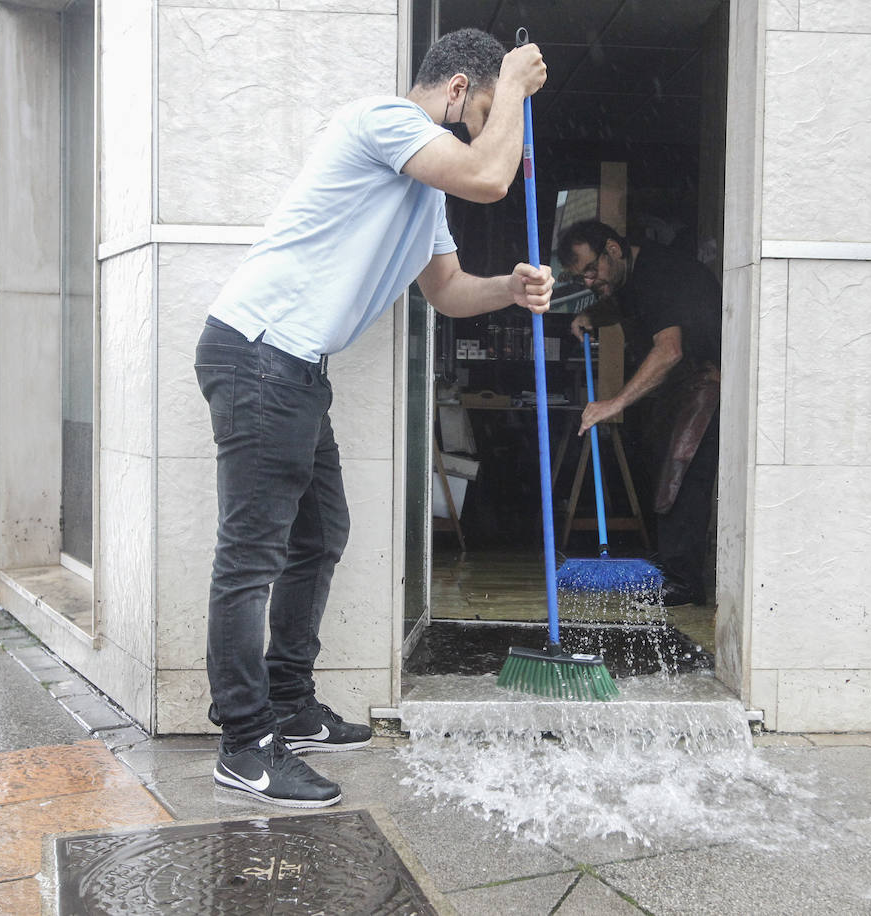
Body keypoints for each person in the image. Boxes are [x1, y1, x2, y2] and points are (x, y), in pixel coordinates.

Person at [195, 29, 551, 808]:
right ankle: (245, 744)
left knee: (320, 535)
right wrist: (518, 87)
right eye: (484, 108)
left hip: (294, 365)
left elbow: (447, 291)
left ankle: (289, 706)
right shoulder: (385, 123)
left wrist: (512, 289)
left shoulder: (423, 183)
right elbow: (492, 177)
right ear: (457, 88)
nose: (487, 127)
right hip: (259, 352)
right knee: (251, 556)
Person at [556, 220, 722, 607]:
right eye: (581, 277)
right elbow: (621, 303)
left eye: (591, 270)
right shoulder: (631, 278)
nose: (589, 282)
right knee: (666, 475)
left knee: (681, 478)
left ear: (613, 249)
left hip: (705, 384)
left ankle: (683, 583)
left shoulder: (661, 274)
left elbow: (670, 350)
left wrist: (613, 402)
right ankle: (672, 570)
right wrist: (592, 316)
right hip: (679, 389)